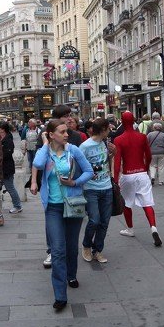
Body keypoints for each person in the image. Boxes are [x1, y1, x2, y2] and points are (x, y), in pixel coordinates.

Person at [32, 119, 93, 311]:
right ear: (51, 134)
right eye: (62, 132)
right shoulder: (45, 152)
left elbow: (89, 171)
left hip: (73, 205)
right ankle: (60, 295)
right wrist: (45, 144)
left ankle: (71, 275)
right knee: (57, 250)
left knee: (71, 246)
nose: (67, 134)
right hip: (53, 207)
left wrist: (74, 183)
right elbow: (37, 163)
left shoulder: (73, 150)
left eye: (67, 131)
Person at [31, 105, 83, 269]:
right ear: (57, 118)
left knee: (71, 224)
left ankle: (66, 254)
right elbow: (37, 159)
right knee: (52, 221)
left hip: (71, 187)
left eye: (70, 115)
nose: (69, 118)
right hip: (51, 181)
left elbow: (82, 161)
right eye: (66, 116)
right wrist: (33, 181)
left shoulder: (75, 136)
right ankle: (52, 250)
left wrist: (78, 182)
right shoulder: (46, 134)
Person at [114, 111, 162, 247]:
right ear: (134, 121)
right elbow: (149, 156)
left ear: (122, 122)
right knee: (147, 203)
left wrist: (115, 180)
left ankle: (130, 229)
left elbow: (117, 163)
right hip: (141, 173)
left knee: (126, 203)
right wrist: (145, 169)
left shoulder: (118, 139)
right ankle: (153, 228)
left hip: (128, 175)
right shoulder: (142, 137)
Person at [79, 118, 113, 264]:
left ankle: (98, 250)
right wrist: (88, 174)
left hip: (107, 187)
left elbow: (105, 163)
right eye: (108, 128)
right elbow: (78, 166)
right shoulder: (85, 146)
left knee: (104, 222)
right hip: (91, 188)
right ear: (103, 129)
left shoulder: (105, 143)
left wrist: (112, 153)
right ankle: (86, 245)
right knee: (94, 220)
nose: (110, 131)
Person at [0, 122, 23, 214]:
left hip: (6, 168)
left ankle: (17, 206)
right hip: (0, 168)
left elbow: (8, 153)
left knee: (10, 187)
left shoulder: (8, 139)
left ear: (2, 129)